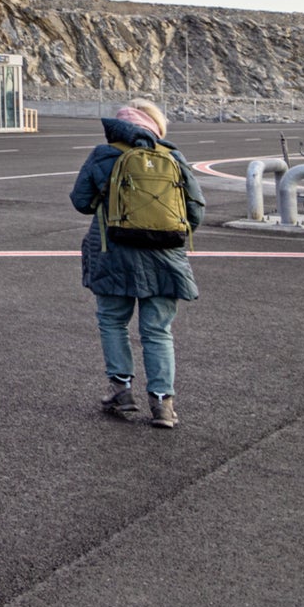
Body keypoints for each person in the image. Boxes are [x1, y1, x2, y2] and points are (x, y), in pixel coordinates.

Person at [68, 100, 203, 429]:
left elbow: (80, 201)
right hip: (165, 258)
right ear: (156, 125)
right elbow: (195, 211)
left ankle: (121, 391)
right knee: (157, 330)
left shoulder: (104, 154)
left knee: (113, 322)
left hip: (112, 252)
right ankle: (162, 405)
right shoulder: (172, 157)